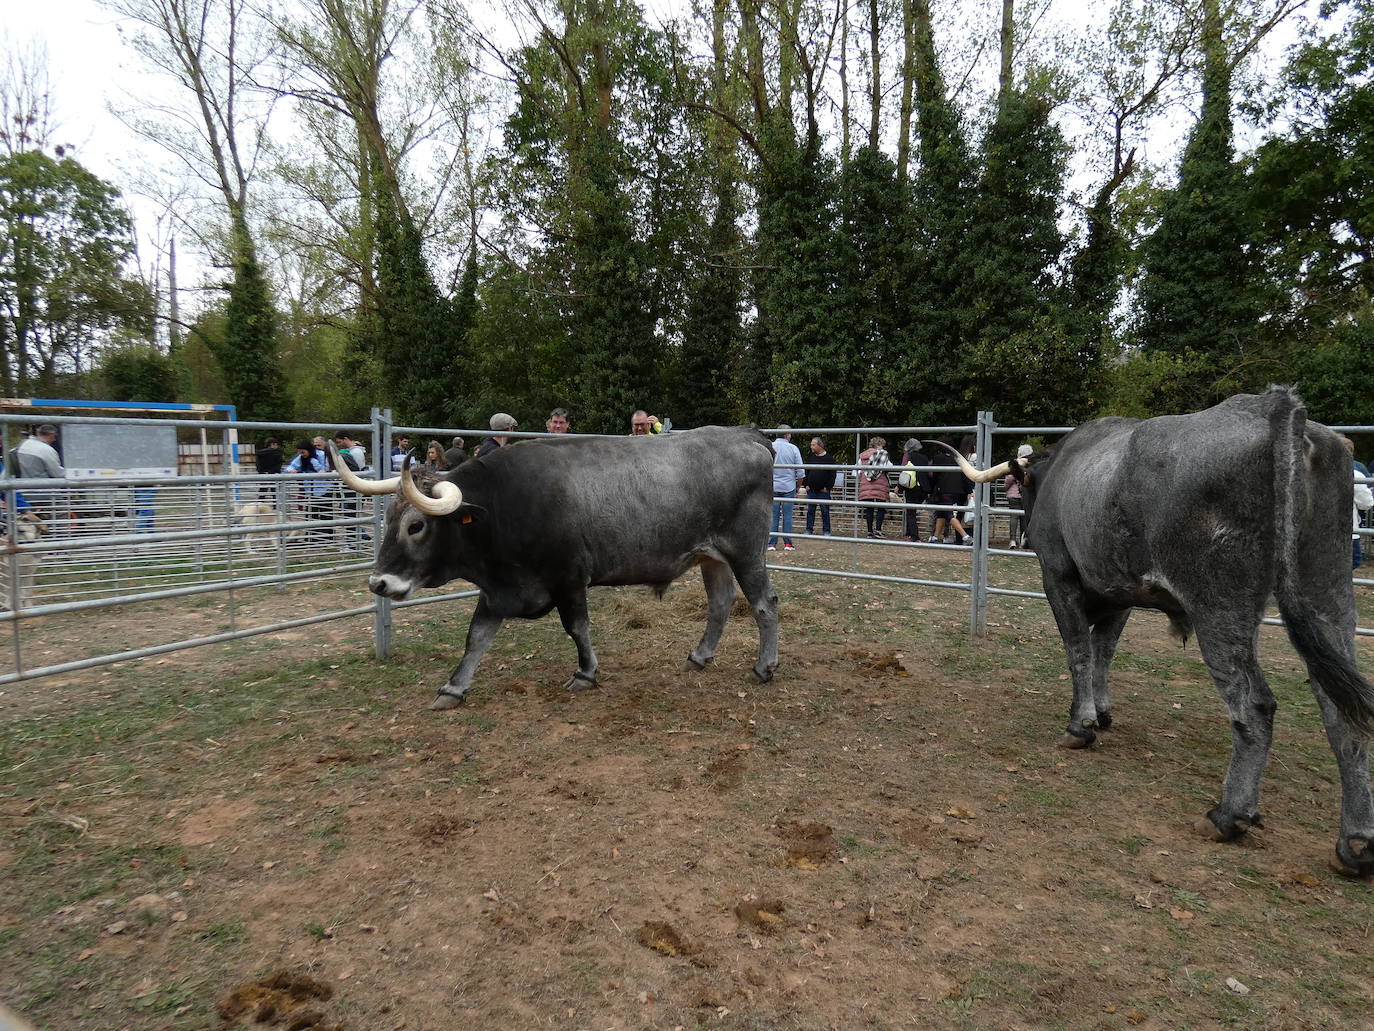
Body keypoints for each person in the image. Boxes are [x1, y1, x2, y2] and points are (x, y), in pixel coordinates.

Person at [928, 440, 973, 545]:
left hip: (945, 489)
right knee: (941, 513)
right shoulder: (957, 458)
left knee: (948, 514)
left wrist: (931, 489)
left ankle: (966, 536)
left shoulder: (938, 458)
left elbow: (935, 475)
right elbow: (964, 474)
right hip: (959, 490)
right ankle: (935, 537)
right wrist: (969, 490)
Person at [285, 439, 330, 540]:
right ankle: (312, 537)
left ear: (308, 450)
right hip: (310, 490)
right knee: (311, 513)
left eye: (303, 452)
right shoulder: (301, 458)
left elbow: (326, 469)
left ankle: (326, 537)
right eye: (299, 452)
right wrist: (292, 470)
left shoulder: (321, 455)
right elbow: (289, 467)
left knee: (325, 513)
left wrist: (315, 464)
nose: (301, 454)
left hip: (324, 488)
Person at [768, 425, 804, 551]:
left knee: (773, 515)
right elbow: (800, 472)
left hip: (772, 486)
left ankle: (771, 543)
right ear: (787, 435)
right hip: (789, 486)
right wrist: (798, 486)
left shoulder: (770, 447)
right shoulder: (793, 448)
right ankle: (788, 543)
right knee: (787, 516)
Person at [857, 435, 892, 538]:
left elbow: (857, 471)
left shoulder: (862, 456)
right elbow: (889, 466)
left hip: (866, 486)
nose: (883, 447)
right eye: (882, 445)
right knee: (881, 508)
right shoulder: (882, 454)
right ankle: (878, 530)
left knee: (869, 509)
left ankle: (869, 531)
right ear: (878, 444)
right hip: (880, 485)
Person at [897, 438, 932, 541]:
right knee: (913, 511)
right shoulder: (925, 458)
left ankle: (914, 536)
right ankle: (909, 533)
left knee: (911, 512)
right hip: (923, 488)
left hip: (912, 487)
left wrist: (898, 486)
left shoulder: (908, 456)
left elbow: (904, 472)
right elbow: (929, 473)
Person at [802, 436, 836, 537]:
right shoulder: (811, 457)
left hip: (823, 491)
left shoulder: (829, 459)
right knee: (810, 511)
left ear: (820, 446)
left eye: (813, 445)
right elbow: (806, 471)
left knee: (825, 511)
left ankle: (826, 531)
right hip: (811, 490)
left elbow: (832, 475)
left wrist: (828, 487)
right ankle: (809, 530)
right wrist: (806, 484)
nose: (811, 447)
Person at [1005, 444, 1033, 548]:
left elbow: (1008, 480)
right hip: (1026, 495)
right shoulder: (1032, 465)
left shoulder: (1015, 465)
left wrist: (1006, 488)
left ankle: (1012, 540)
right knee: (1024, 517)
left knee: (1013, 516)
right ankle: (1024, 540)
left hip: (1013, 495)